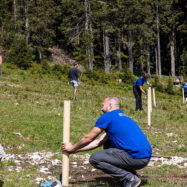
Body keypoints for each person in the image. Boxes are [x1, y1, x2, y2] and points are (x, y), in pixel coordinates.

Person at [62, 97, 152, 187]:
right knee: (107, 143)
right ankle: (131, 175)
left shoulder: (108, 116)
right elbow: (98, 142)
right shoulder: (123, 118)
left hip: (135, 158)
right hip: (144, 158)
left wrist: (72, 147)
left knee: (95, 158)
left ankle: (130, 178)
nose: (101, 108)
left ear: (110, 106)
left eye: (103, 105)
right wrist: (76, 150)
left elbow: (89, 138)